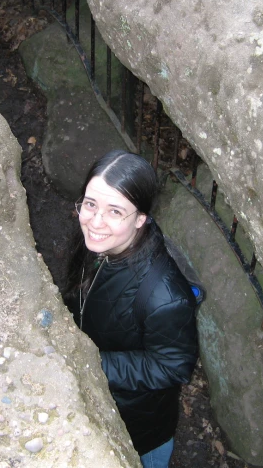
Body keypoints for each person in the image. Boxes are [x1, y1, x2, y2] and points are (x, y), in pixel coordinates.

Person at [62, 150, 199, 468]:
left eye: (114, 211)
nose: (95, 221)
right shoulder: (99, 243)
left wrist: (91, 361)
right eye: (90, 203)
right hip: (102, 399)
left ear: (140, 219)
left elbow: (173, 367)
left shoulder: (165, 297)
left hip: (139, 430)